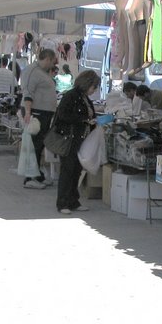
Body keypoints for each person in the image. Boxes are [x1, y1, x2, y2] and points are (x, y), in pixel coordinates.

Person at [53, 69, 100, 214]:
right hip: (69, 138)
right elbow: (63, 115)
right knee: (68, 170)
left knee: (76, 171)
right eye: (94, 87)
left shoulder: (84, 98)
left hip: (80, 139)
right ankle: (63, 203)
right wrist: (84, 120)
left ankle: (73, 201)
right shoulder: (71, 96)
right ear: (87, 84)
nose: (94, 90)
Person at [20, 48, 60, 189]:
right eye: (53, 61)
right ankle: (30, 178)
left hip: (43, 113)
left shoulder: (41, 72)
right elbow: (28, 92)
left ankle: (37, 174)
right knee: (34, 145)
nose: (53, 65)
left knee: (39, 144)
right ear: (48, 59)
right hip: (36, 113)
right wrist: (28, 112)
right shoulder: (32, 71)